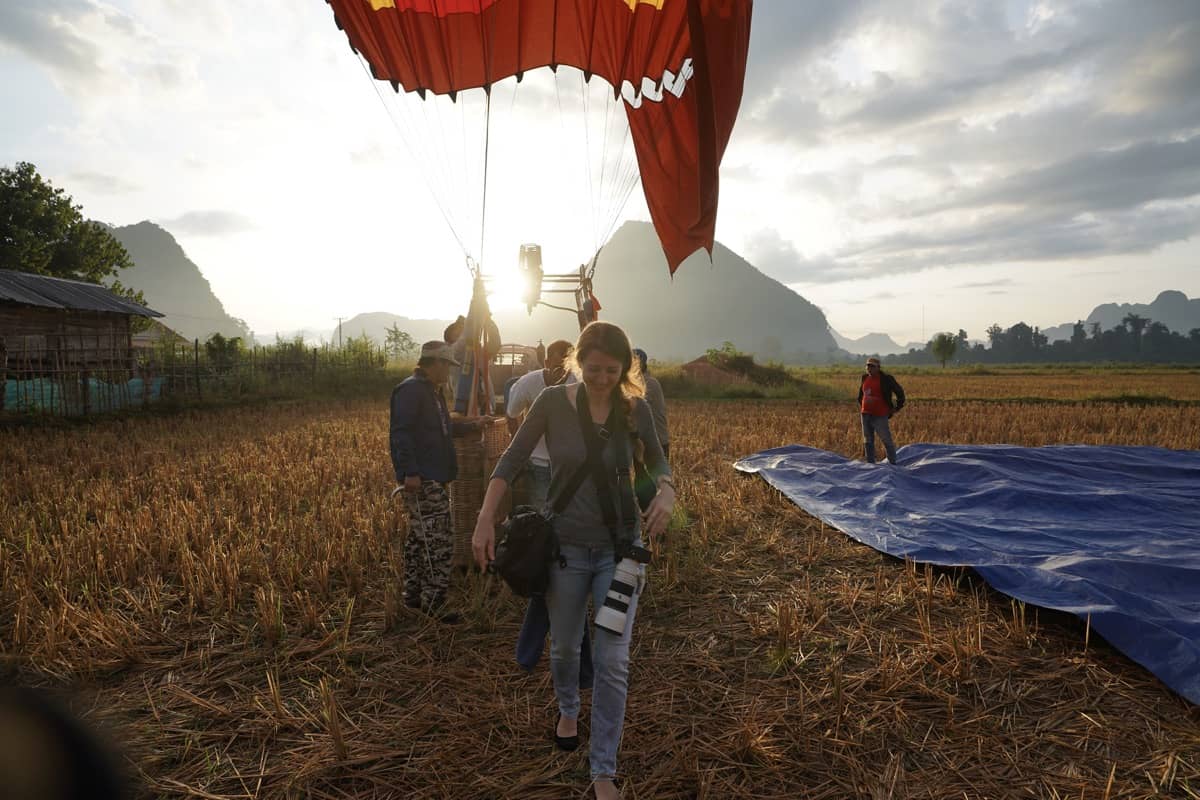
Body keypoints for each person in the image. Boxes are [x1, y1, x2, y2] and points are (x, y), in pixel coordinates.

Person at [473, 321, 674, 800]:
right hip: (563, 551)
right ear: (576, 364)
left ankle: (603, 768)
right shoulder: (550, 404)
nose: (602, 378)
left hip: (619, 553)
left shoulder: (636, 409)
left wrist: (667, 491)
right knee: (564, 650)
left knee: (612, 660)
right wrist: (484, 518)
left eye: (612, 369)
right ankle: (568, 706)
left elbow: (658, 463)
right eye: (593, 368)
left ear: (625, 369)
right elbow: (510, 461)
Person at [506, 339, 590, 678]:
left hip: (571, 472)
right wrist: (523, 446)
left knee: (561, 568)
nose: (564, 362)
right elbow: (511, 415)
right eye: (560, 356)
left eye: (570, 357)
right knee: (550, 545)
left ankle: (536, 654)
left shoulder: (577, 385)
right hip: (541, 467)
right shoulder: (531, 385)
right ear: (547, 358)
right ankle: (573, 665)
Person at [390, 340, 485, 621]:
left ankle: (415, 595)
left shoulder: (431, 391)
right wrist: (410, 472)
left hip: (433, 475)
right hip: (423, 478)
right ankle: (435, 601)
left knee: (420, 539)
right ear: (436, 364)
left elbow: (443, 429)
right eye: (447, 366)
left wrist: (473, 424)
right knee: (439, 539)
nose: (449, 372)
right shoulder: (411, 391)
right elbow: (401, 434)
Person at [858, 356, 905, 464]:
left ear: (878, 368)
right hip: (865, 415)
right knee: (868, 441)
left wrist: (897, 407)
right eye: (867, 366)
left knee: (886, 440)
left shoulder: (886, 379)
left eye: (872, 366)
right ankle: (870, 464)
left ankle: (892, 465)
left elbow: (900, 393)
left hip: (879, 415)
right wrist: (863, 407)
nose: (869, 368)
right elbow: (861, 395)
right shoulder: (864, 378)